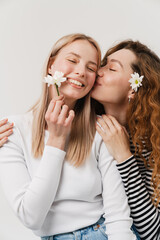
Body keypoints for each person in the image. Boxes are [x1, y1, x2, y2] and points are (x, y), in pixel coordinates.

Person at [0, 34, 137, 240]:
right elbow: (31, 217)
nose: (81, 71)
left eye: (91, 68)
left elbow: (118, 217)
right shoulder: (12, 130)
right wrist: (56, 141)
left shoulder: (102, 128)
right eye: (72, 60)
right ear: (50, 65)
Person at [92, 40, 160, 239]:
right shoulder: (84, 127)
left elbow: (153, 233)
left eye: (111, 68)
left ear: (134, 88)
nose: (99, 71)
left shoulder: (153, 145)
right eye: (102, 64)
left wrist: (124, 156)